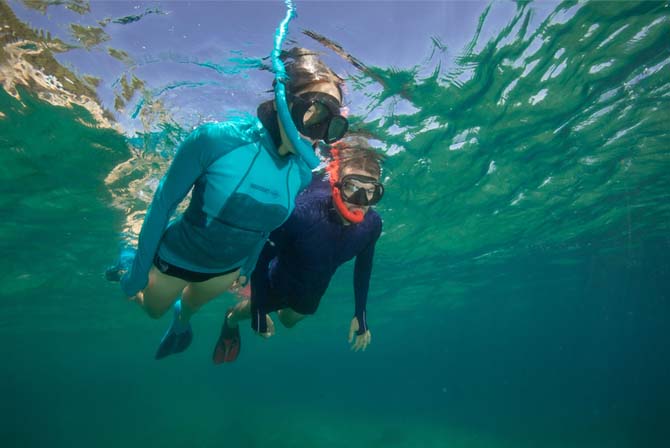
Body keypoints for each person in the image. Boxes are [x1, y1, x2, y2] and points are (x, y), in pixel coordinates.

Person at [113, 48, 349, 359]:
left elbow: (263, 228)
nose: (319, 134)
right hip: (175, 259)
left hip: (225, 271)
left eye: (331, 125)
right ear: (285, 100)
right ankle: (125, 264)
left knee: (188, 310)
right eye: (316, 113)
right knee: (153, 310)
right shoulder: (215, 140)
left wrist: (248, 268)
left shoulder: (302, 175)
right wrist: (137, 274)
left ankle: (181, 325)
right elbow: (162, 205)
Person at [213, 136, 384, 363]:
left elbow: (364, 267)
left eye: (371, 191)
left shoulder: (372, 225)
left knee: (289, 321)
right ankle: (231, 318)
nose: (361, 200)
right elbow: (261, 258)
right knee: (265, 305)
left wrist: (360, 314)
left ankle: (266, 306)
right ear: (336, 184)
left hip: (314, 288)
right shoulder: (301, 215)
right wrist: (258, 311)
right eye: (352, 187)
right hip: (279, 279)